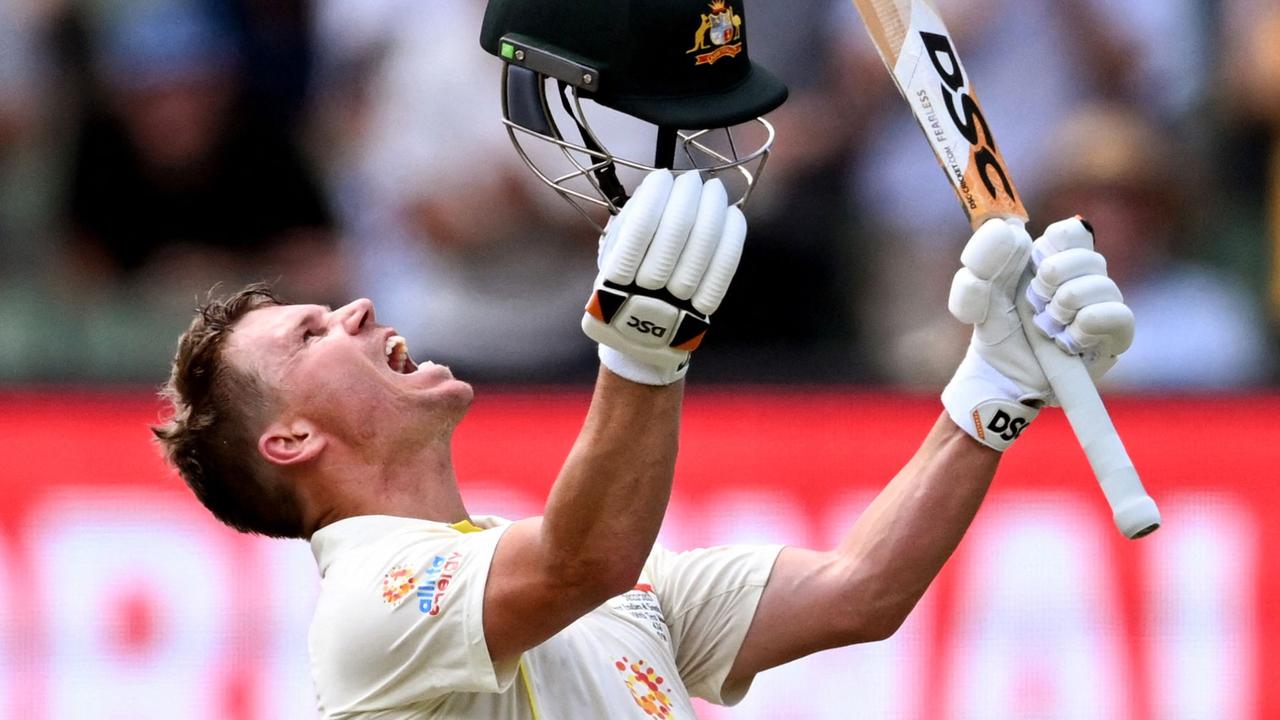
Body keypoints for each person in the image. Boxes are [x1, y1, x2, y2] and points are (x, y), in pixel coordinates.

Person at [152, 1, 1138, 717]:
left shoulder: (585, 579)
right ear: (288, 439)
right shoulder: (368, 605)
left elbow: (859, 589)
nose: (355, 308)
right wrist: (641, 356)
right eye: (310, 333)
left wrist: (993, 388)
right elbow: (582, 559)